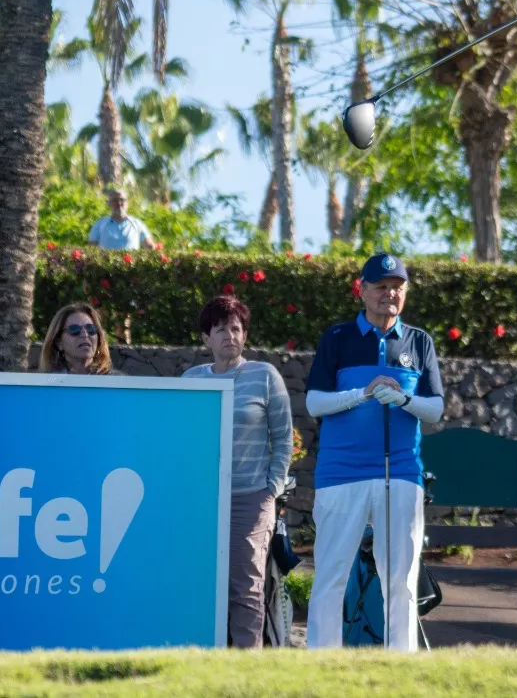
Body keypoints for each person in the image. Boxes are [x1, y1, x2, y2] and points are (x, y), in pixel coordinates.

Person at [304, 253, 444, 652]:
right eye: (381, 287)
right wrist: (361, 394)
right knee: (330, 573)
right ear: (362, 290)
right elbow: (315, 403)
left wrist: (403, 399)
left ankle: (400, 662)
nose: (390, 294)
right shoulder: (337, 338)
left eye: (397, 287)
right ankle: (321, 662)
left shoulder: (419, 341)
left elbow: (435, 409)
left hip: (401, 472)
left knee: (400, 576)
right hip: (340, 472)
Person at [182, 296, 294, 649]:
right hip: (203, 499)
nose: (230, 335)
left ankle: (247, 666)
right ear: (206, 339)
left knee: (246, 586)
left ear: (244, 335)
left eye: (236, 328)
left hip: (250, 497)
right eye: (220, 329)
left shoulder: (264, 376)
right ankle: (202, 658)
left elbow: (283, 438)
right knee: (198, 583)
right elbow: (181, 437)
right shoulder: (191, 379)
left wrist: (271, 490)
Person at [38, 303, 114, 374]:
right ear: (59, 342)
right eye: (74, 329)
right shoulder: (46, 385)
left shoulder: (117, 383)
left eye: (90, 329)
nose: (85, 334)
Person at [88, 187, 154, 251]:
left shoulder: (137, 224)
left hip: (131, 262)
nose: (119, 203)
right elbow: (92, 247)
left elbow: (149, 246)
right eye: (115, 200)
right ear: (109, 203)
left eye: (122, 200)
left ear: (127, 203)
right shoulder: (100, 224)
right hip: (105, 262)